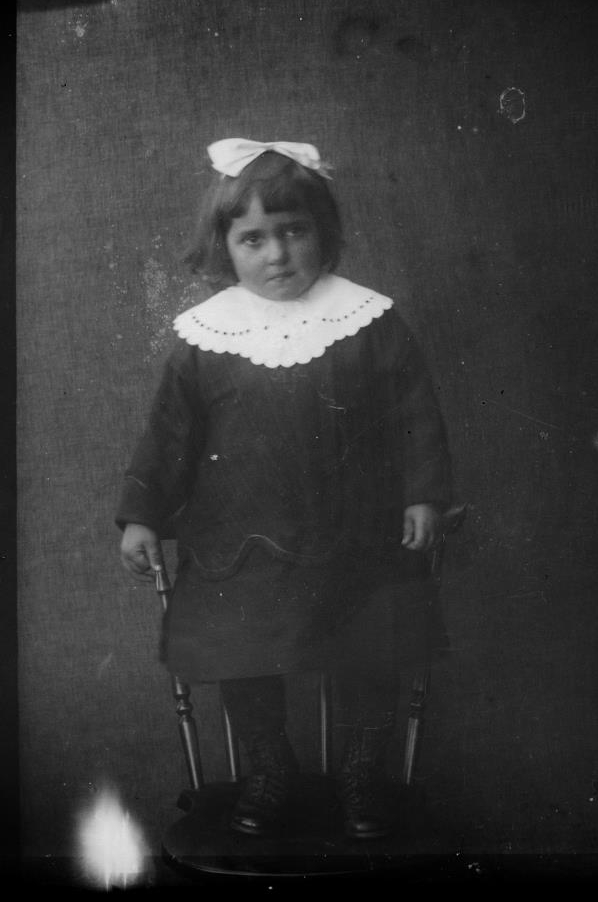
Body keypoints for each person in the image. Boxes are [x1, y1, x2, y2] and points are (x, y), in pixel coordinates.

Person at [117, 138, 453, 840]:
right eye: (253, 239)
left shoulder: (367, 321)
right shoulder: (206, 339)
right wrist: (141, 515)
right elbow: (168, 436)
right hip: (240, 544)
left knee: (370, 652)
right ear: (224, 247)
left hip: (357, 537)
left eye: (294, 231)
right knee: (242, 655)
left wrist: (422, 494)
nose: (277, 254)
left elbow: (415, 414)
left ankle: (361, 774)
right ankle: (270, 770)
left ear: (322, 231)